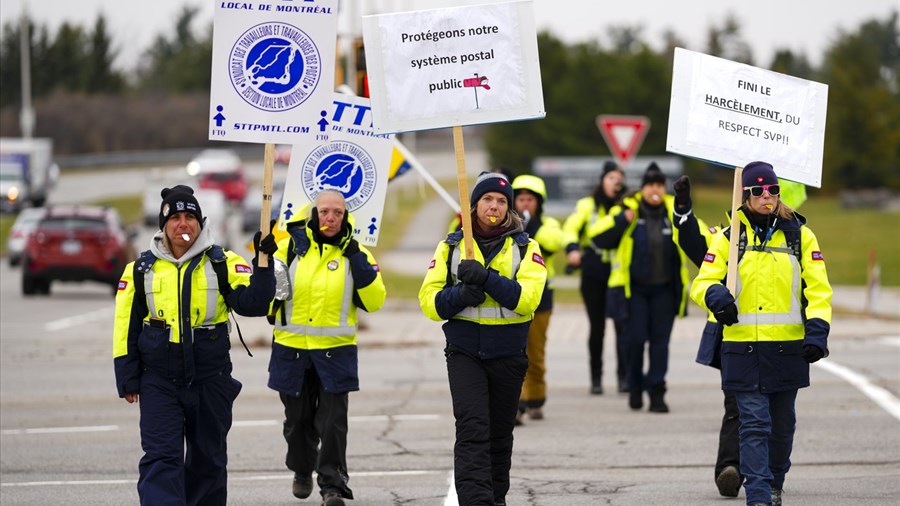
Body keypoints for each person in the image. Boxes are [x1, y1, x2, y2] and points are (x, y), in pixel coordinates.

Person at [113, 184, 276, 505]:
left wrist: (263, 262)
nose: (183, 223)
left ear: (201, 223)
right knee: (161, 460)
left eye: (190, 216)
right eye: (175, 217)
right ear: (164, 225)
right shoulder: (140, 269)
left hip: (210, 380)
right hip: (159, 381)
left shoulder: (223, 262)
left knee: (208, 462)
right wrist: (127, 376)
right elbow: (125, 327)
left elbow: (255, 303)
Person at [690, 161, 832, 506]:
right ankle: (758, 496)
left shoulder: (800, 235)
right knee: (754, 425)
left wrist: (817, 332)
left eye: (772, 190)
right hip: (742, 349)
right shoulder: (730, 237)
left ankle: (774, 482)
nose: (766, 196)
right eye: (758, 191)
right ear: (745, 195)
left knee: (782, 427)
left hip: (787, 349)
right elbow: (702, 282)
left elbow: (819, 290)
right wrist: (716, 296)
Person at [419, 171, 547, 506]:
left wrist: (487, 279)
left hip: (508, 355)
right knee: (473, 429)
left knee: (499, 437)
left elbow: (528, 300)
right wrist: (461, 295)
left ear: (509, 208)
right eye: (488, 199)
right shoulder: (451, 246)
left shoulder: (526, 247)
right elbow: (429, 303)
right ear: (473, 206)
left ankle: (495, 498)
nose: (494, 206)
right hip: (465, 354)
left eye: (502, 201)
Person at [267, 190, 386, 506]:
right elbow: (266, 298)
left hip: (335, 353)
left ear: (346, 216)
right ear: (313, 214)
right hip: (291, 350)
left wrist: (357, 258)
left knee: (332, 425)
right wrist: (262, 262)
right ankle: (302, 468)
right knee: (297, 424)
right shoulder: (288, 249)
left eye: (337, 212)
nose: (330, 218)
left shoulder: (356, 253)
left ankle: (332, 486)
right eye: (324, 212)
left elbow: (375, 301)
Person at [588, 162, 694, 413]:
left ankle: (657, 392)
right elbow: (597, 237)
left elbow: (697, 236)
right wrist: (620, 221)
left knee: (660, 344)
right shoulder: (628, 209)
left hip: (665, 291)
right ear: (643, 189)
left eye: (659, 185)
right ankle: (635, 386)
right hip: (634, 291)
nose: (655, 190)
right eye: (650, 186)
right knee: (634, 341)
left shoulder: (674, 211)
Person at [669, 176, 742, 496]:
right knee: (738, 404)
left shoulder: (792, 238)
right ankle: (731, 469)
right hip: (734, 336)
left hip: (780, 340)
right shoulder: (723, 236)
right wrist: (683, 206)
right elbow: (691, 242)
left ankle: (771, 470)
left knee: (776, 410)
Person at [562, 160, 628, 394]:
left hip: (619, 273)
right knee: (597, 327)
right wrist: (572, 249)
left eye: (619, 179)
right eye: (611, 178)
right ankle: (596, 378)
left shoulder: (627, 207)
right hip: (593, 271)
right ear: (602, 180)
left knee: (622, 326)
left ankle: (624, 378)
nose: (615, 183)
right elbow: (570, 228)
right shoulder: (587, 205)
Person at [511, 174, 565, 424]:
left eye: (530, 199)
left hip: (541, 299)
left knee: (536, 354)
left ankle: (536, 399)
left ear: (539, 202)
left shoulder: (548, 224)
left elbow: (555, 241)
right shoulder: (507, 225)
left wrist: (532, 228)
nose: (525, 204)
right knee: (515, 353)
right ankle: (518, 404)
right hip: (514, 298)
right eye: (520, 198)